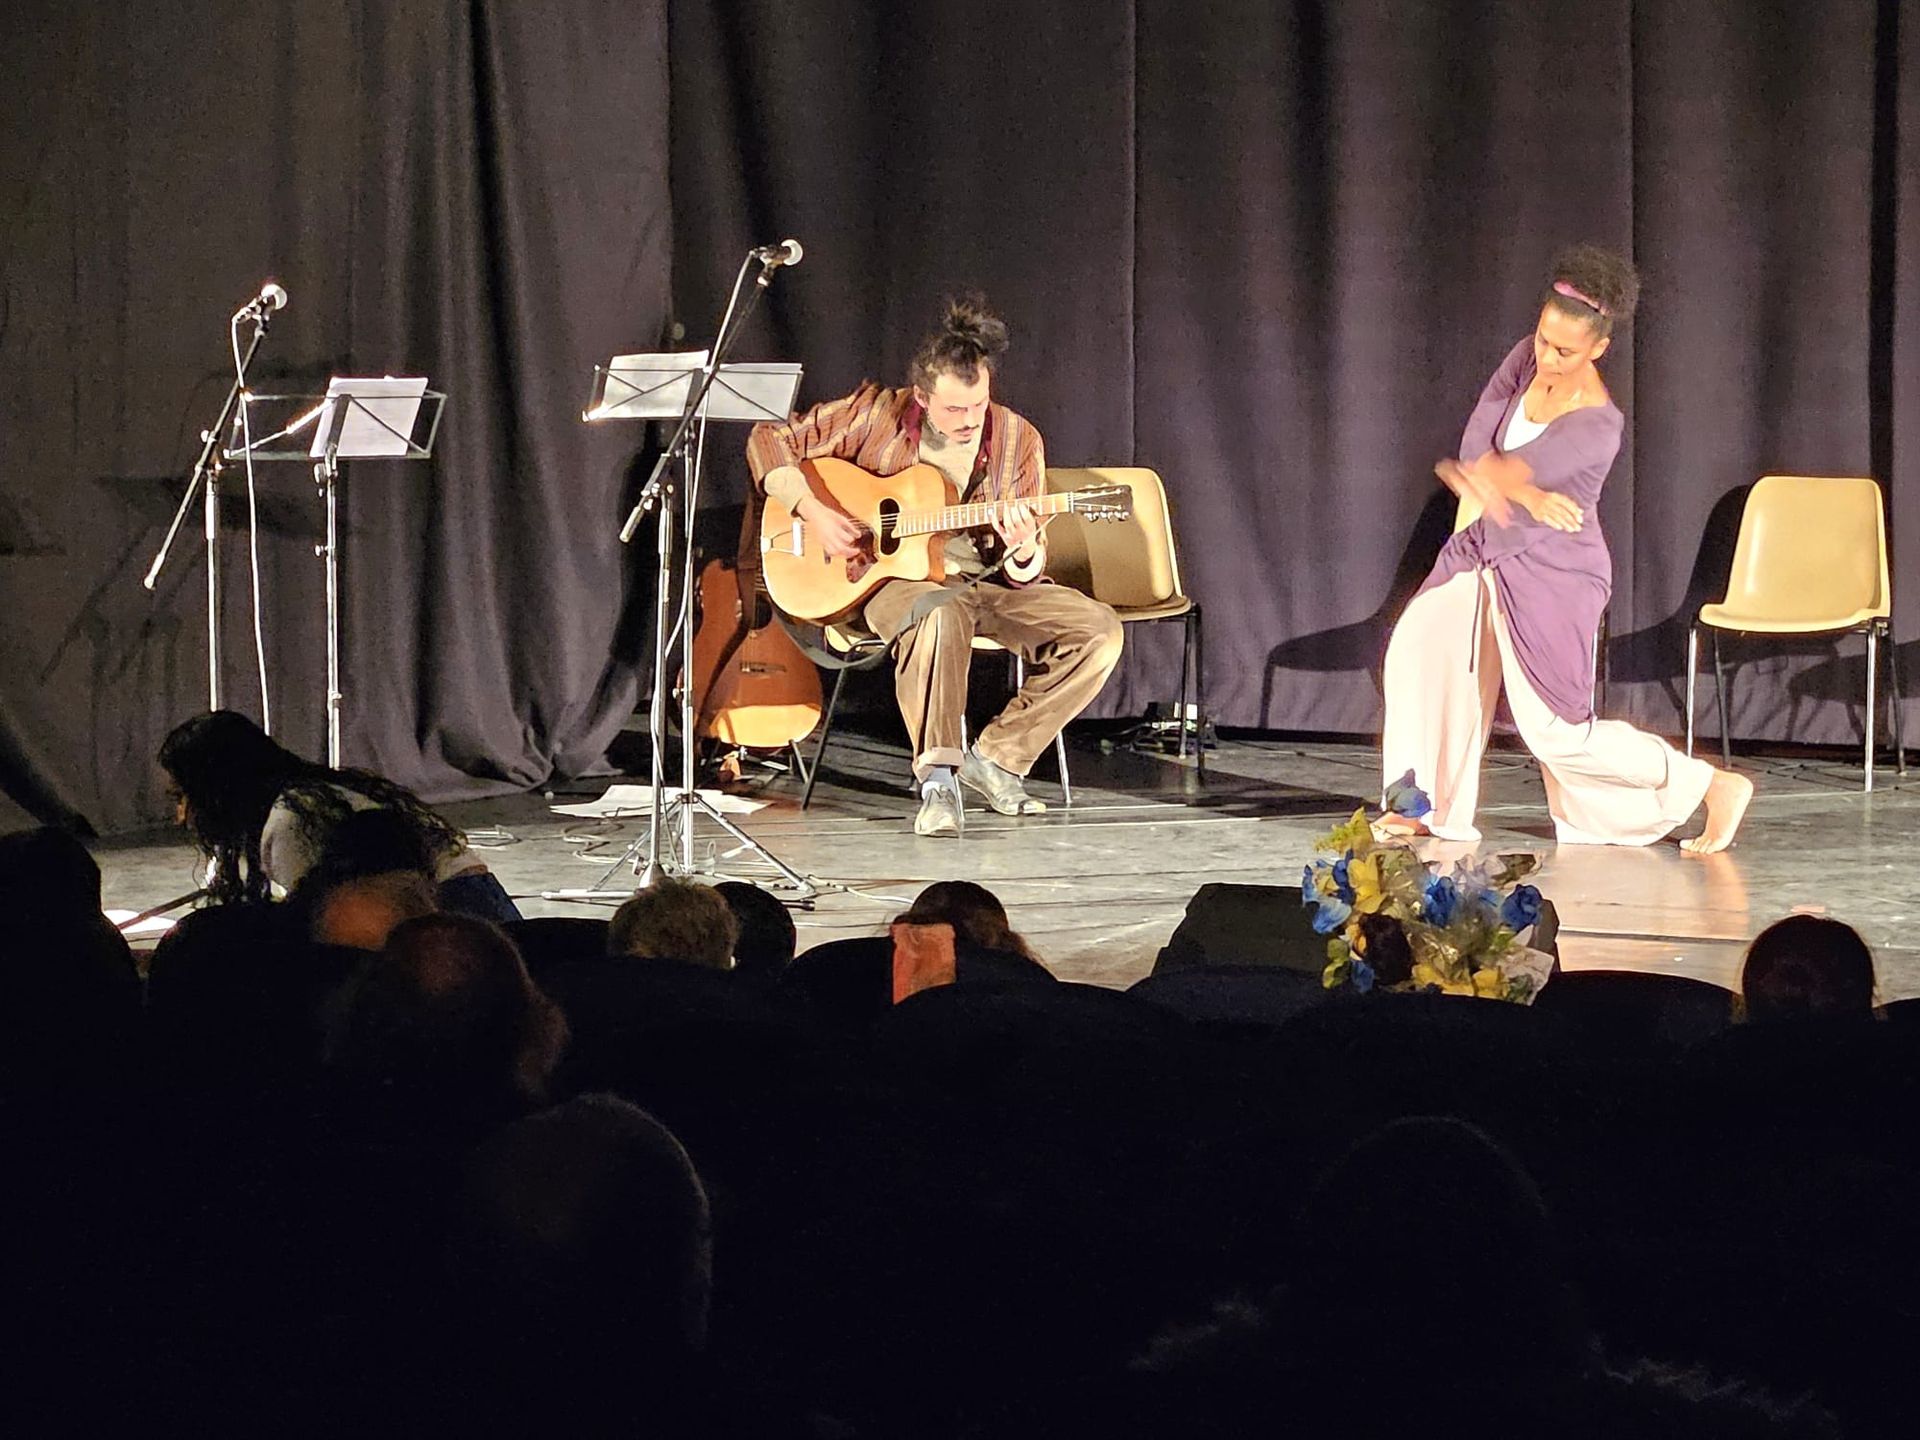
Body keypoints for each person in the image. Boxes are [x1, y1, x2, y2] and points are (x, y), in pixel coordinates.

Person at [1380, 245, 1752, 853]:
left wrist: (1501, 482)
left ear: (1597, 348)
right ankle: (1418, 807)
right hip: (1484, 548)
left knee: (1555, 732)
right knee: (1419, 651)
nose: (1547, 357)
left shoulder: (1599, 426)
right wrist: (1504, 485)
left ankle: (1709, 784)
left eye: (1564, 351)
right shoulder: (1524, 359)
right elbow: (1478, 445)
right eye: (1543, 339)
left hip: (1556, 572)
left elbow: (1502, 469)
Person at [747, 295, 1124, 837]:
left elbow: (1023, 567)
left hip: (983, 580)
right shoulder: (875, 415)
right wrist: (813, 510)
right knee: (938, 613)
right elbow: (770, 440)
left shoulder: (1017, 439)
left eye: (978, 406)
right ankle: (939, 780)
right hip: (891, 583)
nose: (969, 421)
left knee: (1098, 630)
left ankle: (996, 759)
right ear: (922, 398)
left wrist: (1022, 548)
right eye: (954, 410)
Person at [158, 710, 521, 920]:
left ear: (217, 789)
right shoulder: (310, 797)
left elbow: (328, 930)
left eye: (182, 797)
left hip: (458, 916)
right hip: (466, 905)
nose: (181, 816)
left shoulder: (295, 821)